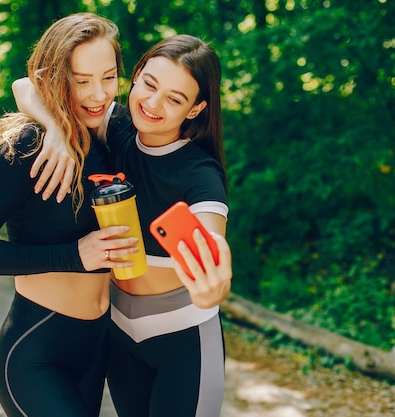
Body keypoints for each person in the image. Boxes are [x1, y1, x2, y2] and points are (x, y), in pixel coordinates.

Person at [13, 34, 232, 417]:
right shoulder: (114, 126)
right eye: (149, 84)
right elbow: (26, 86)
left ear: (196, 109)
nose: (152, 103)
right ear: (136, 75)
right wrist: (55, 131)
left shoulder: (199, 172)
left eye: (175, 99)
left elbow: (210, 233)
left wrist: (215, 279)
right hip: (117, 333)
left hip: (182, 337)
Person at [0, 13, 140, 417]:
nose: (98, 94)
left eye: (108, 77)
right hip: (37, 351)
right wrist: (75, 255)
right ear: (56, 77)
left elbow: (25, 84)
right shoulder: (29, 145)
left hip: (96, 348)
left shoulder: (110, 133)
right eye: (81, 80)